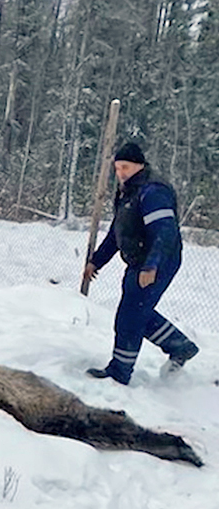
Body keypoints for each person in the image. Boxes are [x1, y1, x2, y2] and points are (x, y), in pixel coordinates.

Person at [84, 141, 199, 385]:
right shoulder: (130, 192)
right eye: (117, 168)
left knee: (130, 316)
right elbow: (119, 232)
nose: (120, 173)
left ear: (139, 165)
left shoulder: (153, 191)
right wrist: (96, 262)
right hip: (140, 259)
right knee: (136, 311)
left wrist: (151, 266)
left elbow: (164, 231)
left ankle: (119, 373)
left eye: (125, 167)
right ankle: (180, 346)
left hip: (159, 259)